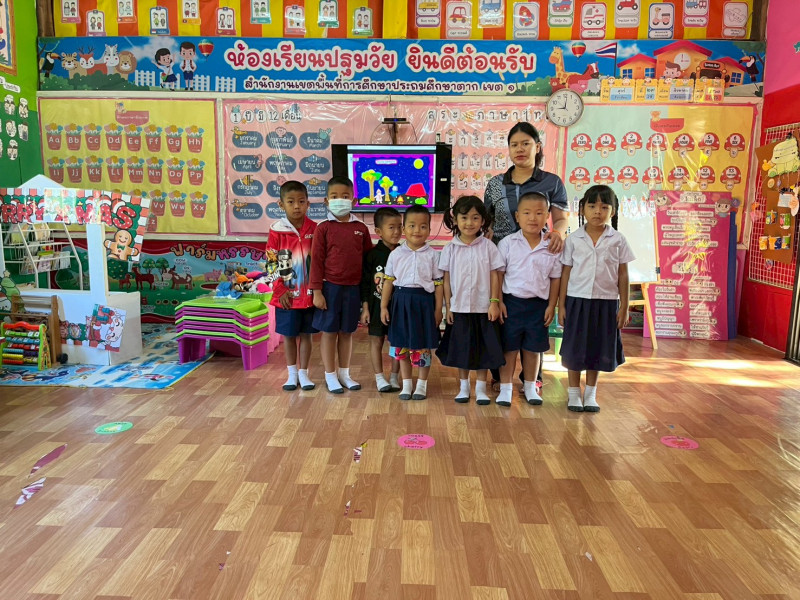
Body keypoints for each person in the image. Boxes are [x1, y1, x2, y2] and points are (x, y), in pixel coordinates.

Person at [484, 121, 569, 394]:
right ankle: (501, 378)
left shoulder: (551, 182)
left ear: (537, 147)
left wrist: (559, 234)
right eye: (514, 145)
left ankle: (532, 380)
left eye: (525, 144)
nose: (519, 149)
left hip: (538, 256)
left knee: (534, 327)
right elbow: (486, 223)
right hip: (503, 259)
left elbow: (561, 218)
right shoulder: (495, 184)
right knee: (502, 323)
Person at [558, 185, 634, 413]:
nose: (597, 211)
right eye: (592, 206)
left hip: (606, 302)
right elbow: (565, 273)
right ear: (582, 209)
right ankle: (573, 393)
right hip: (577, 301)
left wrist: (624, 306)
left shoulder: (618, 239)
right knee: (574, 349)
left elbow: (623, 274)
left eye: (604, 207)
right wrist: (561, 305)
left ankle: (590, 393)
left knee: (597, 348)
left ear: (613, 211)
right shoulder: (573, 239)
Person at [436, 195, 505, 405]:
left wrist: (494, 302)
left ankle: (481, 389)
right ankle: (464, 388)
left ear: (482, 221)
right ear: (455, 219)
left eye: (475, 218)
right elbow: (446, 279)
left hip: (484, 308)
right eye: (464, 217)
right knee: (461, 349)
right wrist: (449, 306)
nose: (469, 223)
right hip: (459, 309)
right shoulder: (450, 249)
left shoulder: (489, 247)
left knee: (483, 350)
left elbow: (495, 275)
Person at [496, 192, 562, 407]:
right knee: (509, 349)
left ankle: (531, 386)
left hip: (538, 306)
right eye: (526, 213)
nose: (533, 218)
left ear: (547, 216)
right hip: (511, 304)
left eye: (539, 213)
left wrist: (552, 305)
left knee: (533, 349)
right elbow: (498, 275)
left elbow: (555, 278)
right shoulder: (507, 243)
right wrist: (498, 301)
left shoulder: (551, 246)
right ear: (517, 216)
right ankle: (505, 388)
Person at [310, 176, 373, 394]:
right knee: (329, 332)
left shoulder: (361, 228)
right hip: (330, 289)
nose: (340, 200)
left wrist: (365, 296)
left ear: (353, 200)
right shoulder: (323, 228)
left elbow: (367, 262)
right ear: (326, 201)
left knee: (347, 332)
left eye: (345, 196)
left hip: (353, 289)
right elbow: (316, 261)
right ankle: (330, 375)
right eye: (334, 196)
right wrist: (317, 292)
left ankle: (344, 374)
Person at [381, 205, 443, 401]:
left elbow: (438, 283)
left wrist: (438, 309)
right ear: (404, 228)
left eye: (423, 226)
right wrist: (383, 306)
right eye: (412, 225)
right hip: (400, 303)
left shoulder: (433, 255)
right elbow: (388, 281)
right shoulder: (395, 254)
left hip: (424, 304)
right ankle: (407, 384)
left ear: (429, 229)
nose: (417, 230)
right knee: (402, 346)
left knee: (422, 346)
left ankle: (421, 385)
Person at [267, 181, 317, 392]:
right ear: (281, 204)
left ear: (308, 204)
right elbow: (271, 262)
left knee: (306, 335)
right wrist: (280, 290)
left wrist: (317, 290)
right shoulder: (276, 231)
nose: (297, 206)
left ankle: (304, 373)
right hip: (287, 296)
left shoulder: (315, 229)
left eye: (301, 201)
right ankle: (292, 374)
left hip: (309, 295)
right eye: (291, 202)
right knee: (289, 336)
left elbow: (319, 262)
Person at [360, 207, 403, 393]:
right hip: (376, 306)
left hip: (399, 307)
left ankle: (394, 376)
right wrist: (365, 308)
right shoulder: (372, 255)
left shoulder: (404, 252)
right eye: (391, 227)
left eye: (400, 227)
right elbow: (365, 284)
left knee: (397, 343)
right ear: (378, 231)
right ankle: (379, 378)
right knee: (376, 341)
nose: (397, 231)